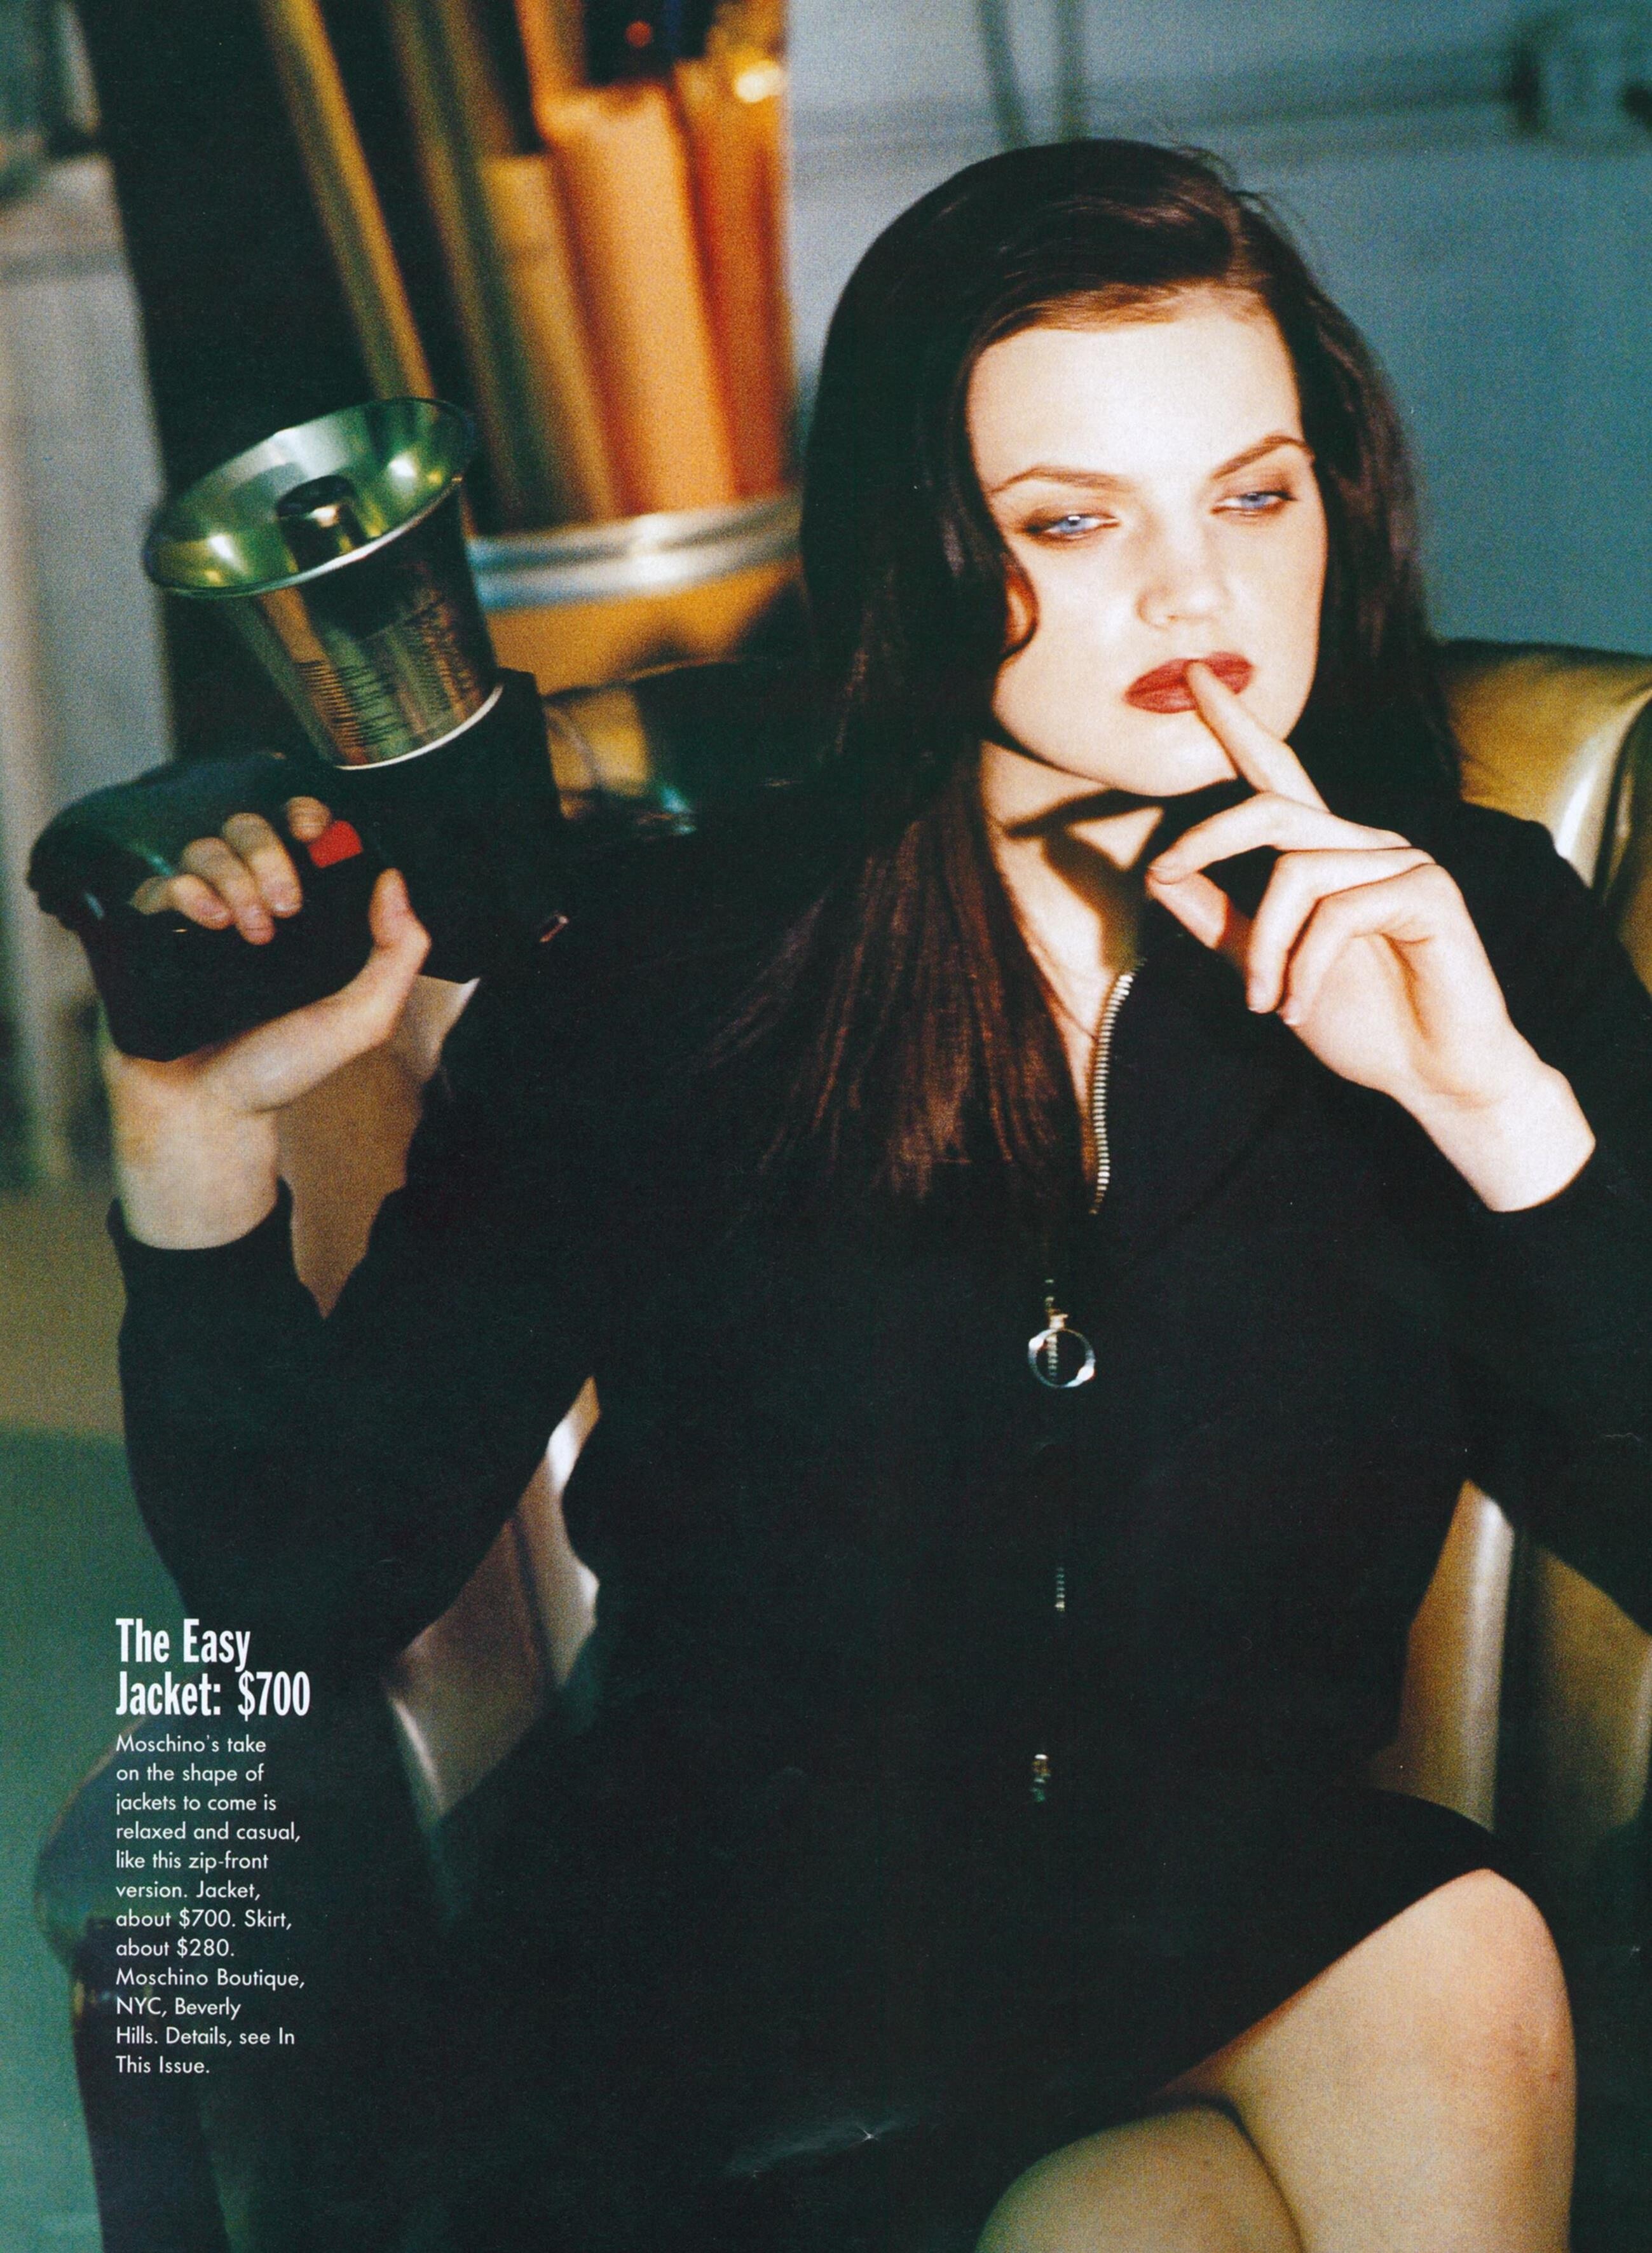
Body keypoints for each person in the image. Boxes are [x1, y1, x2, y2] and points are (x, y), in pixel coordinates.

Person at [103, 140, 1652, 2252]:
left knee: (1404, 1995)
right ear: (922, 550)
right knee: (1329, 2069)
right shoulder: (670, 968)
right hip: (729, 1988)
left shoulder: (1469, 934)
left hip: (1220, 1930)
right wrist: (190, 1152)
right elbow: (300, 1587)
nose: (1195, 598)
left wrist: (1499, 1117)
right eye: (1071, 521)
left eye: (1255, 496)